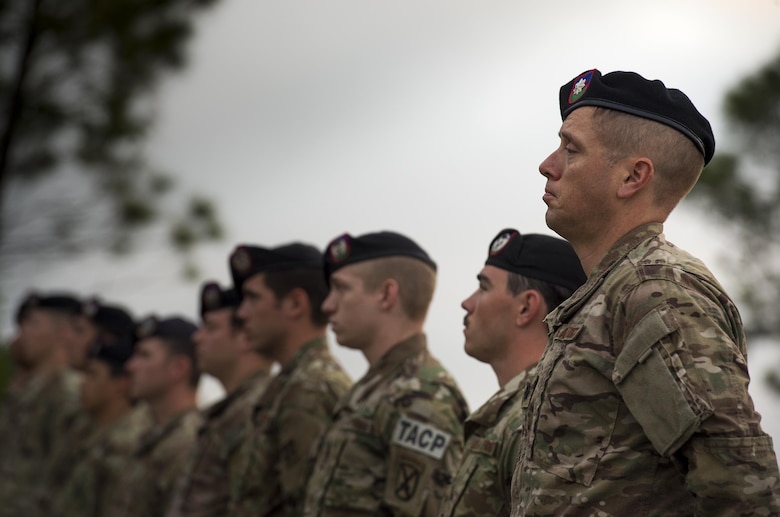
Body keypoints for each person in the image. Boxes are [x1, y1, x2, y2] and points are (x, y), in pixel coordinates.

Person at [510, 69, 780, 516]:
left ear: (633, 177)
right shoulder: (613, 291)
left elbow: (741, 486)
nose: (548, 164)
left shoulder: (656, 291)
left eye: (571, 148)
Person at [304, 231, 470, 517]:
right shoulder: (374, 389)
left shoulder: (421, 396)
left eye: (341, 289)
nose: (327, 305)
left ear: (386, 294)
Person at [439, 229, 585, 517]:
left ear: (525, 307)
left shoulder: (538, 416)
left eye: (483, 288)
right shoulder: (518, 411)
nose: (467, 303)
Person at [227, 242, 352, 517]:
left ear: (295, 304)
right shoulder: (290, 383)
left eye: (253, 298)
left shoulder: (310, 388)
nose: (241, 313)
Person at [166, 281, 275, 517]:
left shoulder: (259, 408)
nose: (197, 338)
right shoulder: (227, 412)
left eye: (211, 328)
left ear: (245, 337)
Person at [0, 292, 85, 517]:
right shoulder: (27, 392)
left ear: (62, 333)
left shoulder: (69, 394)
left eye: (34, 324)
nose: (23, 333)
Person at [111, 315, 203, 517]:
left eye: (144, 356)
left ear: (178, 368)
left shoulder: (189, 442)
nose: (130, 366)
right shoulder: (152, 436)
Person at [50, 332, 150, 517]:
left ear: (120, 384)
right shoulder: (90, 434)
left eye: (92, 375)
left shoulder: (129, 444)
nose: (82, 384)